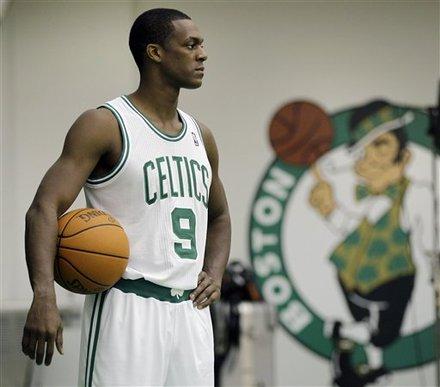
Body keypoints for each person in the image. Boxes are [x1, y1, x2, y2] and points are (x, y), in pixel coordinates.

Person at [21, 8, 231, 386]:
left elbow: (220, 217)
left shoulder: (203, 137)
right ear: (155, 53)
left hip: (191, 312)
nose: (202, 54)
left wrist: (214, 273)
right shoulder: (105, 124)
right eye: (191, 45)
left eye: (202, 45)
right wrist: (43, 295)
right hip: (128, 304)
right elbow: (42, 209)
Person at [309, 100, 435, 386]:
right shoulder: (383, 199)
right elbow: (355, 228)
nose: (370, 160)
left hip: (357, 277)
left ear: (403, 157)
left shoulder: (415, 194)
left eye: (381, 146)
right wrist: (328, 208)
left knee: (371, 328)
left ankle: (371, 363)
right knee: (382, 333)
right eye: (364, 152)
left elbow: (429, 242)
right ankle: (342, 331)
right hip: (387, 279)